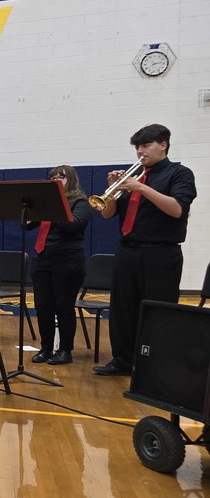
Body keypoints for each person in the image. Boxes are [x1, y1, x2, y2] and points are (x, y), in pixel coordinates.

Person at [93, 124, 197, 376]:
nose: (140, 152)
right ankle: (123, 360)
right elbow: (107, 214)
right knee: (122, 309)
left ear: (163, 144)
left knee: (158, 310)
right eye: (137, 147)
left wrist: (140, 188)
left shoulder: (179, 173)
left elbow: (177, 209)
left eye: (146, 145)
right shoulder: (135, 177)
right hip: (128, 250)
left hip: (161, 253)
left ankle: (159, 364)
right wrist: (113, 192)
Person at [27, 165, 91, 365]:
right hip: (43, 258)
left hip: (67, 259)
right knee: (43, 306)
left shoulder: (80, 201)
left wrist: (53, 208)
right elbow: (27, 225)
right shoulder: (47, 203)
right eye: (52, 177)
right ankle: (46, 348)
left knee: (63, 307)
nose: (56, 179)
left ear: (70, 179)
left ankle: (65, 350)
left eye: (60, 177)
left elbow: (74, 225)